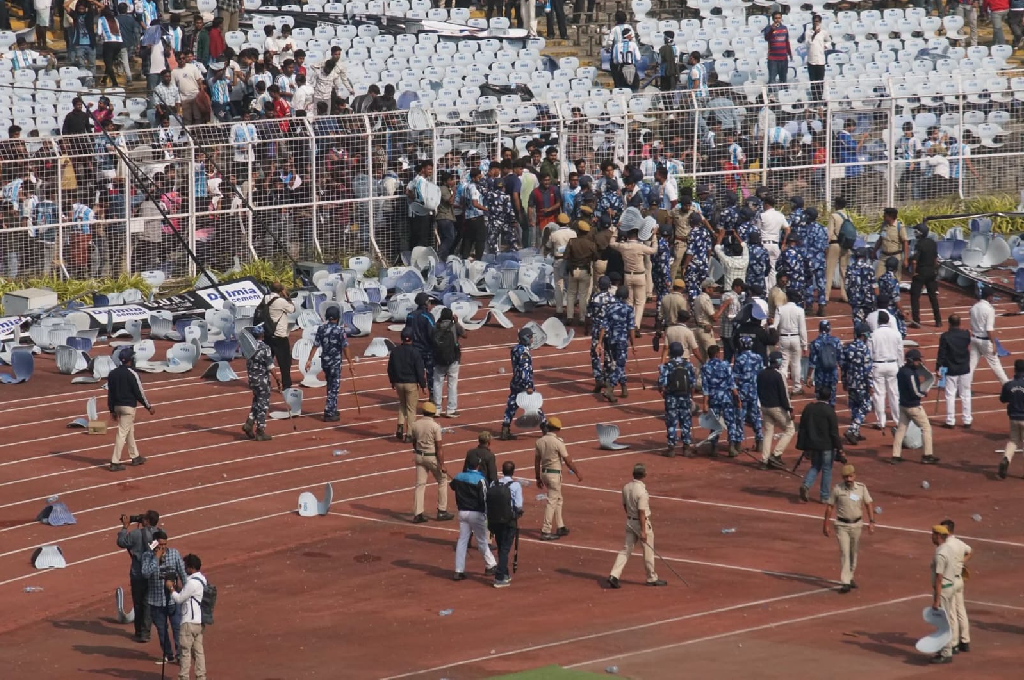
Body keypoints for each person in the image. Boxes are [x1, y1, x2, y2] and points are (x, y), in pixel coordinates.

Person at [607, 464, 667, 589]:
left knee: (625, 550)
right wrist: (643, 531)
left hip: (630, 521)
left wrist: (630, 517)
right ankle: (651, 577)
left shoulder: (626, 487)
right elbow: (641, 512)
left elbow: (624, 505)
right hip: (641, 523)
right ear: (644, 475)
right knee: (648, 551)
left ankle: (614, 575)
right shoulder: (642, 492)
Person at [823, 464, 875, 593]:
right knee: (844, 552)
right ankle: (845, 582)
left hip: (857, 524)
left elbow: (868, 504)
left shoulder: (861, 488)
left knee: (853, 552)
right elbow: (830, 507)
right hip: (842, 525)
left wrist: (872, 521)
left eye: (851, 476)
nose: (849, 479)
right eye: (846, 477)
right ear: (843, 477)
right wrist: (826, 524)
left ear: (854, 476)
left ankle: (850, 576)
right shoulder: (837, 489)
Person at [141, 529, 187, 664]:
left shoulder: (174, 554)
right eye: (160, 544)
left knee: (177, 627)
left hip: (173, 599)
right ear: (154, 544)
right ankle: (168, 654)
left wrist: (185, 593)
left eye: (165, 544)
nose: (163, 547)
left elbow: (182, 573)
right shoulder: (147, 556)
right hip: (155, 600)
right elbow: (145, 574)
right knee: (162, 630)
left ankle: (180, 654)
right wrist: (156, 558)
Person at [107, 346, 155, 472]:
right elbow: (139, 392)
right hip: (128, 407)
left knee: (129, 431)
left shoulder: (112, 374)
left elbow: (110, 393)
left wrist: (111, 410)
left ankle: (135, 456)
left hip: (117, 406)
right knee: (122, 433)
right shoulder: (133, 374)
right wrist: (148, 406)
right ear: (130, 360)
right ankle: (114, 461)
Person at [450, 458, 497, 580]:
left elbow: (452, 486)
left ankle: (458, 570)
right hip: (476, 513)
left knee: (462, 540)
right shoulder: (480, 480)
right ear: (478, 466)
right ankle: (490, 564)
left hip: (462, 512)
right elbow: (485, 498)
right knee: (482, 540)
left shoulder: (459, 476)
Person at [117, 510, 160, 643]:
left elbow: (121, 542)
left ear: (146, 521)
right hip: (152, 573)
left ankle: (138, 631)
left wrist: (125, 527)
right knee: (147, 603)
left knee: (138, 602)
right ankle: (145, 633)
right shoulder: (158, 534)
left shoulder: (135, 534)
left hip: (137, 573)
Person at [534, 417, 581, 540]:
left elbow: (537, 461)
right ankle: (546, 530)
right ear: (558, 429)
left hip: (544, 473)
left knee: (558, 499)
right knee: (552, 501)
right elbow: (568, 460)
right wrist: (577, 473)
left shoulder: (539, 441)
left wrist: (537, 477)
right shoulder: (558, 442)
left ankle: (560, 526)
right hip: (554, 475)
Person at [797, 385, 844, 503]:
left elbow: (803, 426)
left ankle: (806, 484)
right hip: (827, 445)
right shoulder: (830, 411)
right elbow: (834, 432)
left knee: (815, 466)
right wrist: (840, 448)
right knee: (827, 469)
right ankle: (824, 496)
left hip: (813, 444)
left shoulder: (810, 408)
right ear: (829, 397)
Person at [891, 349, 938, 465]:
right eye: (917, 360)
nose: (919, 362)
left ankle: (895, 455)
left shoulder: (901, 371)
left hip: (903, 404)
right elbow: (915, 391)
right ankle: (927, 455)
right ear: (911, 361)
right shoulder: (910, 374)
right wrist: (923, 393)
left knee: (901, 430)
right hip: (913, 406)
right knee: (926, 427)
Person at [410, 402, 453, 524]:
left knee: (420, 485)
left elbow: (413, 442)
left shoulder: (415, 424)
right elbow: (439, 447)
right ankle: (442, 510)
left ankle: (418, 513)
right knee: (442, 480)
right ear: (433, 413)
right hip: (431, 456)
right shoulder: (435, 426)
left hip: (419, 456)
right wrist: (442, 464)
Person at [308, 306, 353, 423]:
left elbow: (315, 345)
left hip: (325, 362)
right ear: (338, 317)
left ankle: (332, 407)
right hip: (335, 363)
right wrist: (350, 362)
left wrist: (309, 360)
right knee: (334, 387)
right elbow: (345, 347)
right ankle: (329, 412)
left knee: (330, 385)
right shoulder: (340, 330)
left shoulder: (321, 329)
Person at [166, 553, 207, 680]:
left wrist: (171, 589)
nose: (184, 568)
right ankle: (201, 677)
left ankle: (183, 677)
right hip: (198, 622)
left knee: (185, 652)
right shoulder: (202, 580)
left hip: (188, 622)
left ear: (191, 567)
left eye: (186, 566)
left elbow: (179, 599)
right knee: (199, 652)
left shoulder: (192, 583)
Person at [610, 225, 657, 333]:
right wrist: (654, 235)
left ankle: (630, 324)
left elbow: (612, 243)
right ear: (637, 236)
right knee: (640, 302)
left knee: (629, 301)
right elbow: (654, 250)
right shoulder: (640, 247)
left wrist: (616, 230)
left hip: (627, 276)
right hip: (639, 275)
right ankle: (636, 325)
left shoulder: (623, 246)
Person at [501, 327, 544, 440]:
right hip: (524, 382)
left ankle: (505, 428)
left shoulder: (515, 349)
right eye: (530, 337)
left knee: (511, 405)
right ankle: (545, 428)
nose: (532, 340)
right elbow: (524, 369)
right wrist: (528, 385)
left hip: (515, 381)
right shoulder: (524, 352)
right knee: (535, 405)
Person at [701, 344, 743, 458]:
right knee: (731, 422)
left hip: (713, 398)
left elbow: (705, 388)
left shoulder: (705, 367)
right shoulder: (725, 365)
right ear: (717, 354)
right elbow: (732, 384)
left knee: (714, 423)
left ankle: (714, 447)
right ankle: (732, 446)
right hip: (726, 398)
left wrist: (704, 403)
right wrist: (737, 399)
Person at [939, 519, 973, 655]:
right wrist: (961, 563)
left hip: (950, 581)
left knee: (951, 613)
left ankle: (954, 644)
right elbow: (970, 551)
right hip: (960, 580)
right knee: (961, 610)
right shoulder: (959, 542)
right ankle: (965, 641)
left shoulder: (947, 545)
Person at [387, 327, 427, 442]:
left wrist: (392, 381)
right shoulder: (415, 352)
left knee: (402, 405)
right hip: (411, 383)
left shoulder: (395, 351)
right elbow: (419, 371)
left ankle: (400, 425)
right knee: (411, 409)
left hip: (399, 382)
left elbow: (390, 368)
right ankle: (409, 434)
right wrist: (423, 385)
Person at [597, 286, 635, 402]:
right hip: (622, 340)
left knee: (617, 363)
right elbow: (631, 327)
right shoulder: (628, 309)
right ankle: (610, 387)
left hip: (611, 340)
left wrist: (599, 342)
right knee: (620, 365)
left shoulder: (609, 308)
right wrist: (633, 344)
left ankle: (624, 387)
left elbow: (603, 326)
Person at [757, 351, 795, 469]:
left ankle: (764, 460)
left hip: (764, 406)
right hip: (776, 407)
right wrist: (789, 410)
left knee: (768, 432)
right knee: (790, 429)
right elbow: (784, 395)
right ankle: (776, 454)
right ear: (778, 361)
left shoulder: (760, 374)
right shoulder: (779, 375)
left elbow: (758, 390)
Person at [658, 341, 697, 458]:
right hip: (685, 397)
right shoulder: (688, 365)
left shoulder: (667, 366)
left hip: (671, 398)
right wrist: (691, 397)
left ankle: (671, 448)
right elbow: (693, 384)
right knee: (686, 422)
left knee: (671, 423)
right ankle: (686, 448)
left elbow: (661, 384)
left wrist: (665, 394)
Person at [491, 460, 524, 588]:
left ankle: (505, 573)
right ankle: (499, 577)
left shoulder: (495, 482)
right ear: (513, 471)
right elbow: (518, 505)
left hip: (495, 520)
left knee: (501, 547)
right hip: (508, 520)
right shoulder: (515, 485)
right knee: (505, 549)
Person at [969, 283, 1009, 386]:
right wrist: (994, 343)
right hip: (985, 341)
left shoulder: (974, 307)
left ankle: (964, 387)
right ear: (989, 296)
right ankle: (1007, 387)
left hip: (974, 338)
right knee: (995, 364)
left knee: (971, 365)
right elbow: (989, 329)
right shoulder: (989, 310)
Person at [929, 524, 958, 664]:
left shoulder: (940, 553)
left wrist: (936, 600)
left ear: (938, 536)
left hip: (943, 590)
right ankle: (943, 649)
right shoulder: (948, 548)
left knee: (943, 622)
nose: (931, 537)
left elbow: (939, 577)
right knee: (944, 621)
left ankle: (946, 653)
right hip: (950, 586)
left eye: (933, 534)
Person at [841, 323, 874, 445]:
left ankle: (856, 433)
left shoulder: (848, 347)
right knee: (866, 406)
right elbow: (867, 369)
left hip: (851, 382)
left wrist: (844, 381)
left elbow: (843, 366)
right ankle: (852, 429)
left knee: (855, 406)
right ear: (864, 335)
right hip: (861, 384)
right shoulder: (864, 349)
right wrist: (870, 385)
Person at [937, 314, 972, 429]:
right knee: (966, 394)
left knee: (950, 395)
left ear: (949, 323)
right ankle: (967, 419)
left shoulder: (945, 336)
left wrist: (938, 367)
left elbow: (941, 353)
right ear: (960, 322)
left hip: (951, 369)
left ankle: (950, 420)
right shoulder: (966, 334)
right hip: (964, 368)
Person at [869, 311, 902, 431]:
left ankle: (881, 422)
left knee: (879, 394)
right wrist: (900, 365)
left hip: (878, 365)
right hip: (893, 364)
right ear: (888, 321)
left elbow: (869, 352)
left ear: (878, 321)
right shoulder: (896, 334)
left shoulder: (873, 335)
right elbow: (900, 351)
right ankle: (898, 420)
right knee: (894, 394)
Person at [733, 336, 765, 453]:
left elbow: (735, 378)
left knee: (740, 417)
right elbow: (761, 374)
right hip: (754, 390)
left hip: (742, 391)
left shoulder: (739, 359)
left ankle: (738, 443)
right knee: (755, 415)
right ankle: (759, 440)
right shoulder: (758, 357)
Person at [242, 323, 273, 442]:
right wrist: (278, 379)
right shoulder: (265, 348)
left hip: (252, 379)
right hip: (262, 380)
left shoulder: (248, 348)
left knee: (256, 401)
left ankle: (249, 423)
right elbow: (270, 366)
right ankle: (260, 431)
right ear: (262, 334)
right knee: (263, 405)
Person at [431, 308, 464, 418]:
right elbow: (465, 334)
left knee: (437, 383)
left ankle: (436, 409)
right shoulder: (455, 327)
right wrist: (457, 322)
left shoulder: (436, 327)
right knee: (452, 385)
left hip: (438, 359)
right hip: (453, 359)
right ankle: (451, 409)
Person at [262, 282, 295, 390]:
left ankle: (264, 383)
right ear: (281, 290)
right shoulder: (281, 301)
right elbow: (292, 309)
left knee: (267, 360)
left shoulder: (265, 298)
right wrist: (287, 296)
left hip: (268, 334)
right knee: (284, 362)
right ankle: (286, 385)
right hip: (280, 335)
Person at [773, 288, 807, 392]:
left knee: (784, 363)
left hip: (783, 338)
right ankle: (797, 387)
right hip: (795, 338)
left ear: (787, 297)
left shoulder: (780, 309)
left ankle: (783, 386)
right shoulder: (800, 311)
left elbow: (775, 326)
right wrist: (804, 345)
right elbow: (802, 329)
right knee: (796, 363)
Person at [406, 292, 438, 402]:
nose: (431, 304)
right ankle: (433, 396)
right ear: (426, 303)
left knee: (414, 373)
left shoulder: (410, 316)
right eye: (430, 302)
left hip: (413, 350)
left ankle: (411, 396)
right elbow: (432, 333)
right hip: (427, 350)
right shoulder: (428, 316)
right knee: (431, 374)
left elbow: (407, 332)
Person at [909, 223, 941, 328]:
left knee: (915, 297)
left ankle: (916, 321)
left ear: (920, 233)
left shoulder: (919, 244)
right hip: (931, 272)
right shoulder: (932, 243)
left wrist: (914, 273)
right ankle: (938, 320)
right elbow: (935, 259)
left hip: (921, 272)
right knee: (933, 297)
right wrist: (935, 269)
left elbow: (914, 261)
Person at [588, 276, 617, 392]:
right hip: (610, 330)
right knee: (609, 354)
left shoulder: (594, 297)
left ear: (599, 285)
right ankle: (607, 377)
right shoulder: (613, 299)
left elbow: (588, 314)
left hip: (596, 329)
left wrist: (586, 327)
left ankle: (598, 378)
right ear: (609, 285)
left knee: (595, 353)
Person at [805, 320, 843, 405]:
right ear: (829, 329)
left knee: (821, 399)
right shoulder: (836, 341)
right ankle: (831, 414)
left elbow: (812, 363)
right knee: (832, 398)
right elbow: (840, 360)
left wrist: (808, 377)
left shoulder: (815, 343)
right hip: (833, 373)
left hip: (820, 375)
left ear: (819, 329)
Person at [997, 359, 1024, 479]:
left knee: (1013, 441)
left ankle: (1006, 459)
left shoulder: (1009, 385)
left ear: (1015, 369)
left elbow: (1003, 399)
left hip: (1013, 417)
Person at [825, 197, 851, 304]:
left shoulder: (834, 216)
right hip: (846, 245)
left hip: (835, 244)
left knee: (829, 270)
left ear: (836, 205)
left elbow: (830, 233)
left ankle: (826, 295)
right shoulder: (848, 216)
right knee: (843, 271)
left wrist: (826, 245)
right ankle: (845, 295)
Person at [846, 247, 876, 324]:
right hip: (868, 299)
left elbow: (847, 285)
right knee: (869, 321)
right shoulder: (870, 268)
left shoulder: (850, 268)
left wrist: (850, 297)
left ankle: (858, 335)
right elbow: (874, 285)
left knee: (857, 321)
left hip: (855, 299)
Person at [763, 11, 792, 85]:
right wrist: (772, 29)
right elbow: (767, 38)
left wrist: (790, 53)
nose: (777, 20)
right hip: (773, 59)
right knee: (772, 79)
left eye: (779, 18)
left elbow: (787, 41)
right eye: (776, 18)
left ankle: (784, 95)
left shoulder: (785, 28)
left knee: (783, 79)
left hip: (783, 59)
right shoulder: (768, 28)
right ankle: (771, 95)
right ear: (773, 19)